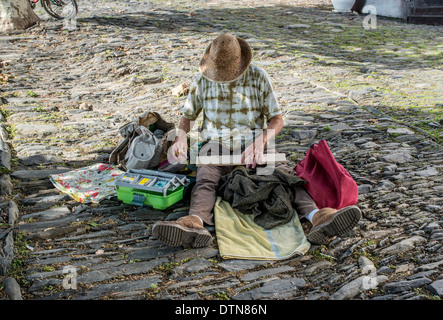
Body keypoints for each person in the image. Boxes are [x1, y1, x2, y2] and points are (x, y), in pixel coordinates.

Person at [152, 33, 361, 248]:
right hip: (215, 147)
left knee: (284, 176)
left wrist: (261, 141)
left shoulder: (259, 77)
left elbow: (277, 120)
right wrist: (180, 139)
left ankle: (318, 217)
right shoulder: (201, 80)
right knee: (205, 179)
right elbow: (187, 117)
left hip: (255, 146)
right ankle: (194, 223)